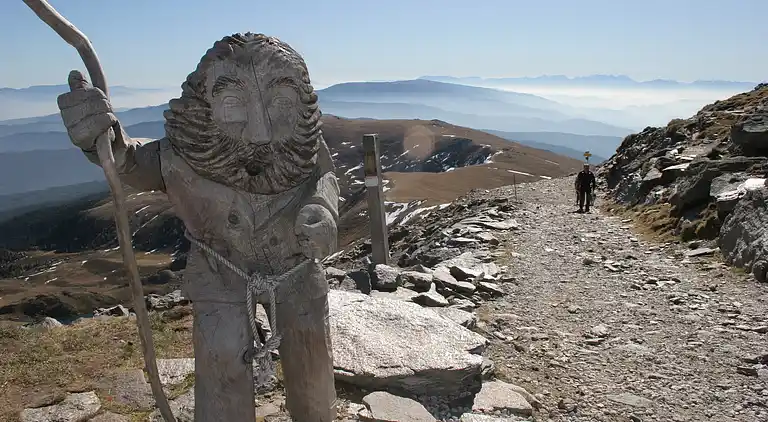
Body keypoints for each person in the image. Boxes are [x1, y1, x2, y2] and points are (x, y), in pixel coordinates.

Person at [57, 33, 339, 421]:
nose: (260, 131)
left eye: (282, 104)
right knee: (221, 359)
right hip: (220, 274)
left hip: (297, 271)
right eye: (233, 104)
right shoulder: (181, 154)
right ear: (203, 107)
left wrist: (323, 207)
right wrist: (102, 138)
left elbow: (324, 175)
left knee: (311, 361)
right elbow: (130, 161)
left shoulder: (306, 145)